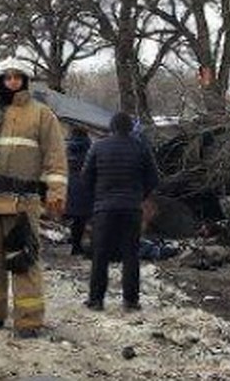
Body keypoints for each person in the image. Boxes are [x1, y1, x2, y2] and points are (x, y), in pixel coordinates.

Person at [0, 56, 67, 339]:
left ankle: (28, 321)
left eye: (17, 76)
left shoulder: (42, 114)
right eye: (7, 77)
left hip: (22, 202)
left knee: (24, 260)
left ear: (26, 80)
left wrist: (56, 192)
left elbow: (55, 158)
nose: (12, 81)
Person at [82, 112, 159, 311]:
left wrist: (97, 198)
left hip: (104, 209)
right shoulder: (141, 147)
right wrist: (140, 196)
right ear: (130, 127)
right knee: (131, 255)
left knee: (100, 254)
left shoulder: (98, 146)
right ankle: (130, 301)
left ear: (111, 127)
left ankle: (96, 299)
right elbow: (153, 178)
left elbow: (86, 177)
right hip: (131, 208)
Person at [63, 126, 92, 256]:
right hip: (85, 187)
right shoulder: (89, 149)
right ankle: (80, 246)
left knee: (75, 219)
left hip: (70, 186)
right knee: (83, 219)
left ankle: (75, 245)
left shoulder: (67, 150)